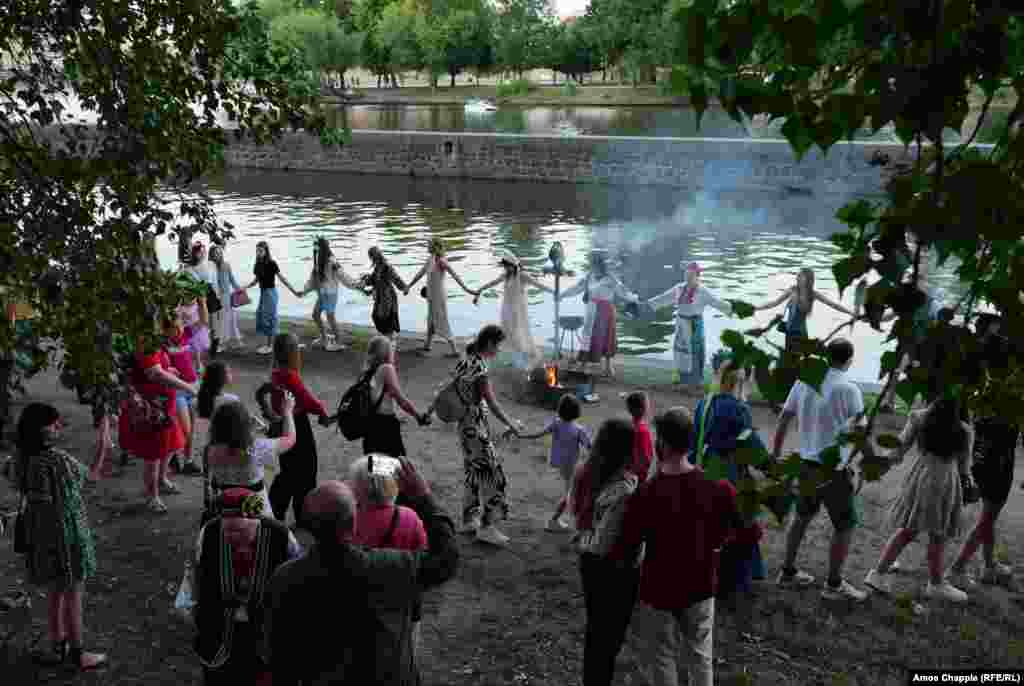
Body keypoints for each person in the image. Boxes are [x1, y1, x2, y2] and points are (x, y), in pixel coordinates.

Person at [264, 464, 459, 686]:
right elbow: (447, 559)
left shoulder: (285, 578)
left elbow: (278, 654)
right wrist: (423, 497)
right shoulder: (392, 567)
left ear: (307, 526)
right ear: (354, 521)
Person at [613, 407, 740, 686]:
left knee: (661, 657)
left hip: (658, 589)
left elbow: (627, 545)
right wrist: (716, 543)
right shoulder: (718, 488)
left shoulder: (646, 493)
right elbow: (744, 530)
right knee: (700, 656)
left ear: (662, 444)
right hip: (701, 585)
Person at [771, 338, 868, 601]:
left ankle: (787, 572)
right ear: (849, 360)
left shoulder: (805, 382)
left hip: (806, 465)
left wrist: (775, 454)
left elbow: (784, 418)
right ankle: (834, 585)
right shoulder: (849, 389)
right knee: (845, 525)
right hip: (834, 470)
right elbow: (861, 432)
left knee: (801, 517)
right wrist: (858, 464)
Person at [14, 403, 107, 670]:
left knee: (55, 590)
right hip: (65, 534)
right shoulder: (56, 460)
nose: (58, 427)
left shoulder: (21, 458)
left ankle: (57, 646)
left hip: (39, 534)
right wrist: (103, 443)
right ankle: (77, 653)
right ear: (40, 428)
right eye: (53, 424)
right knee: (73, 592)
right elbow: (92, 477)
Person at [864, 396, 974, 602]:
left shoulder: (918, 417)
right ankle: (935, 583)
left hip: (920, 476)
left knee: (908, 529)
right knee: (938, 534)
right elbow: (964, 468)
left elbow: (898, 450)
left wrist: (879, 463)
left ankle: (878, 573)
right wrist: (969, 485)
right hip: (945, 481)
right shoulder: (964, 429)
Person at [193, 487, 302, 685]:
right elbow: (194, 575)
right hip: (220, 630)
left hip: (267, 630)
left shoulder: (281, 536)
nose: (233, 536)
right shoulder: (209, 533)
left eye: (241, 530)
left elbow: (298, 582)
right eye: (228, 530)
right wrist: (188, 607)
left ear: (257, 523)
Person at [948, 315, 1020, 590]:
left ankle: (989, 566)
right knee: (989, 515)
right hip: (999, 457)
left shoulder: (980, 383)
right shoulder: (1012, 390)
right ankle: (958, 567)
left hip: (980, 451)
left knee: (989, 512)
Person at [692, 358, 769, 607]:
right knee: (737, 527)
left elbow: (695, 441)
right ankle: (734, 580)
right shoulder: (738, 409)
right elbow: (751, 446)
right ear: (740, 383)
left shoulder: (704, 403)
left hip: (704, 470)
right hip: (730, 473)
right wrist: (769, 466)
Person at [569, 418, 640, 686]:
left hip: (588, 561)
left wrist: (584, 533)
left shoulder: (584, 471)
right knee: (608, 638)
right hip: (612, 568)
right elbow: (605, 544)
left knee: (596, 629)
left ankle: (593, 678)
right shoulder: (623, 489)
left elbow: (575, 511)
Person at [439, 324, 522, 546]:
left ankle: (469, 519)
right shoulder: (480, 369)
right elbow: (492, 403)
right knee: (493, 474)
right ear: (489, 343)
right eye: (498, 345)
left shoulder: (465, 359)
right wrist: (511, 423)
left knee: (473, 472)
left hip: (464, 427)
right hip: (475, 427)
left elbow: (449, 387)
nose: (499, 350)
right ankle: (487, 526)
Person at [349, 455, 430, 663]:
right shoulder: (409, 517)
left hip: (364, 600)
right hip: (405, 598)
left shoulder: (350, 520)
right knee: (407, 649)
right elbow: (423, 553)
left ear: (357, 488)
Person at [119, 317, 200, 513]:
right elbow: (155, 373)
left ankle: (162, 481)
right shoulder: (145, 341)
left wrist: (168, 369)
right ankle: (152, 495)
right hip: (153, 408)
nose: (181, 328)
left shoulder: (155, 340)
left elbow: (157, 369)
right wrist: (189, 387)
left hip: (164, 404)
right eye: (176, 324)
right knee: (154, 454)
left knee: (168, 447)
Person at [266, 333, 331, 530]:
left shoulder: (276, 372)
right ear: (292, 353)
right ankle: (302, 514)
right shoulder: (289, 375)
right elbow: (306, 399)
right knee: (305, 470)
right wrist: (322, 412)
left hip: (281, 424)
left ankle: (278, 511)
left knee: (290, 469)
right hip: (296, 423)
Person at [647, 262, 734, 392]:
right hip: (681, 323)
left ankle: (695, 381)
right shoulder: (679, 288)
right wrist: (646, 305)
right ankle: (683, 380)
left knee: (695, 352)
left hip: (695, 324)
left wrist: (736, 308)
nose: (687, 277)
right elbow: (663, 298)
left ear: (697, 276)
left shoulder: (702, 291)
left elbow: (718, 303)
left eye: (691, 275)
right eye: (686, 274)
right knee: (681, 352)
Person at [206, 399, 297, 520]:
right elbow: (290, 439)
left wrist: (250, 431)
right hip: (256, 507)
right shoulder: (257, 448)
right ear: (244, 426)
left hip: (226, 507)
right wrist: (287, 411)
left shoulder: (210, 449)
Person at [559, 251, 639, 377]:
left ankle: (608, 366)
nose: (595, 268)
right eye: (593, 265)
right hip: (591, 309)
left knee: (607, 337)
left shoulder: (611, 279)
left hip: (606, 310)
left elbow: (623, 292)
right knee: (587, 336)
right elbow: (576, 288)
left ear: (601, 266)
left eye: (597, 265)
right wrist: (562, 295)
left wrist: (634, 299)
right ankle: (583, 364)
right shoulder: (589, 276)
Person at [519, 394, 591, 532]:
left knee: (571, 492)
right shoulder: (579, 430)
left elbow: (538, 433)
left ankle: (561, 519)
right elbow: (590, 447)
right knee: (569, 494)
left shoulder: (556, 423)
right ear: (577, 412)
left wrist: (522, 435)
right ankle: (554, 521)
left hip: (561, 464)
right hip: (570, 465)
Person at [472, 250, 554, 368]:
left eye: (507, 266)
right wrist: (480, 289)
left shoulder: (522, 276)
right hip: (506, 308)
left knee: (517, 333)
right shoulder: (506, 275)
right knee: (506, 333)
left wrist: (553, 292)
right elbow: (493, 283)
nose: (505, 268)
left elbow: (537, 284)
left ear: (512, 265)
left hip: (517, 311)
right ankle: (515, 357)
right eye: (504, 266)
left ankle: (520, 359)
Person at [406, 237, 476, 358]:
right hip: (431, 296)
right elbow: (420, 273)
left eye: (429, 245)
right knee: (431, 321)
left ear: (435, 247)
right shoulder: (430, 259)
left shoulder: (442, 261)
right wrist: (409, 285)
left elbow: (455, 275)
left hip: (438, 297)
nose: (427, 246)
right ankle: (427, 346)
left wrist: (467, 289)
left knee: (442, 322)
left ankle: (455, 350)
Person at [362, 335, 431, 458]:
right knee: (396, 467)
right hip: (385, 426)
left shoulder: (366, 371)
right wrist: (418, 415)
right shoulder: (387, 369)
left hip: (369, 425)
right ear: (387, 353)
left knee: (375, 468)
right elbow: (400, 399)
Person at [296, 237, 363, 352]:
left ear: (323, 248)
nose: (315, 250)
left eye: (317, 247)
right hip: (322, 293)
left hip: (330, 294)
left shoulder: (332, 261)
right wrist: (304, 291)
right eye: (314, 248)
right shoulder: (317, 261)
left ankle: (338, 341)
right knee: (316, 314)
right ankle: (324, 336)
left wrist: (355, 285)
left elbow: (343, 276)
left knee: (330, 317)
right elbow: (313, 279)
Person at [166, 306, 204, 476]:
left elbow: (203, 321)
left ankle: (188, 461)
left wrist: (202, 301)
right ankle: (172, 455)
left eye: (180, 324)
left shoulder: (186, 334)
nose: (179, 329)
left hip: (193, 387)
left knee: (192, 428)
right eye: (175, 327)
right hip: (178, 390)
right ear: (166, 329)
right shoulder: (163, 344)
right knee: (184, 430)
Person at [244, 242, 298, 355]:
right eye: (257, 250)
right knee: (260, 315)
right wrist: (245, 287)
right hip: (263, 293)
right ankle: (271, 342)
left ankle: (270, 346)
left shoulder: (272, 263)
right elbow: (257, 280)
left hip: (271, 293)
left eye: (261, 251)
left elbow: (282, 278)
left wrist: (293, 290)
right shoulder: (257, 264)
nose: (258, 253)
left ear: (266, 251)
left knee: (268, 318)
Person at [193, 361, 240, 470]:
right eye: (228, 372)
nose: (231, 374)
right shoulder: (232, 400)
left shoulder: (199, 400)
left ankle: (207, 483)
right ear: (221, 378)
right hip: (226, 440)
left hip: (207, 439)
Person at [362, 246, 408, 344]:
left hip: (388, 298)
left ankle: (390, 341)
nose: (372, 258)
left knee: (386, 319)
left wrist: (404, 287)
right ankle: (386, 339)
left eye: (372, 256)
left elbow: (396, 278)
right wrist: (365, 281)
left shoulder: (386, 266)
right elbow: (373, 280)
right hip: (379, 297)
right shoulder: (377, 267)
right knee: (376, 316)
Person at [208, 245, 245, 353]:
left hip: (226, 296)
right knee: (220, 321)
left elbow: (232, 280)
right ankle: (223, 343)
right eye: (216, 253)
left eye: (220, 253)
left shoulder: (226, 265)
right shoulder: (211, 268)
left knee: (229, 319)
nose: (218, 255)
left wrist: (239, 289)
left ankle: (230, 342)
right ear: (212, 255)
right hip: (216, 297)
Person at [625, 390, 654, 481]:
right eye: (647, 404)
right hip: (638, 477)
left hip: (629, 473)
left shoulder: (628, 426)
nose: (649, 407)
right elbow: (645, 458)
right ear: (643, 408)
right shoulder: (642, 431)